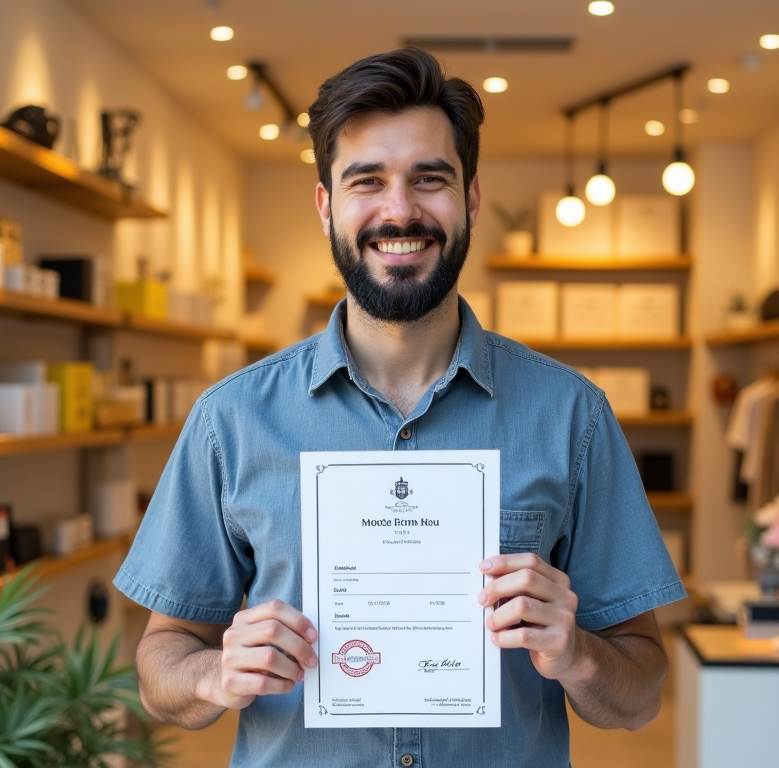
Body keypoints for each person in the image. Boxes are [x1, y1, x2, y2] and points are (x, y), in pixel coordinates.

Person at [115, 47, 686, 768]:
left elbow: (641, 694)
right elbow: (159, 667)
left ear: (471, 197)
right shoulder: (229, 420)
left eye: (429, 179)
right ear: (327, 205)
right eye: (367, 181)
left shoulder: (573, 416)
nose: (400, 209)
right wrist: (214, 673)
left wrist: (575, 653)